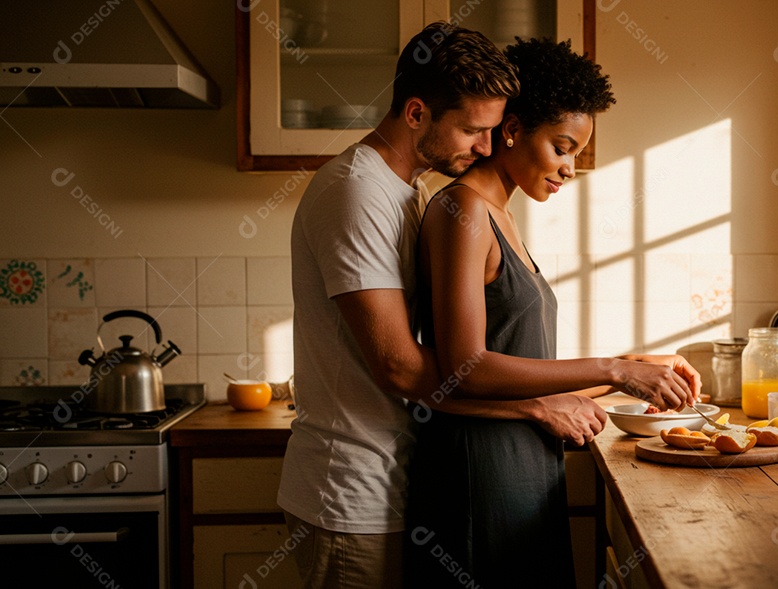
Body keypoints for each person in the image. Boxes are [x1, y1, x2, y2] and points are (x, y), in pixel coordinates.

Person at [279, 23, 695, 589]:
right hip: (351, 490)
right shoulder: (359, 192)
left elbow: (477, 361)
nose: (484, 144)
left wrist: (620, 369)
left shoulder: (410, 194)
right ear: (417, 113)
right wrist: (577, 387)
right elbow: (412, 366)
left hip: (396, 477)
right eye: (475, 129)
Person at [406, 38, 699, 588]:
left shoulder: (499, 215)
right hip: (479, 472)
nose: (569, 168)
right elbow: (467, 366)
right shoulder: (460, 209)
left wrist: (638, 366)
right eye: (562, 147)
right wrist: (615, 369)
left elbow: (523, 366)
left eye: (576, 155)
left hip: (523, 466)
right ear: (512, 129)